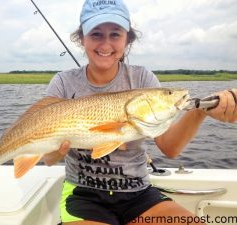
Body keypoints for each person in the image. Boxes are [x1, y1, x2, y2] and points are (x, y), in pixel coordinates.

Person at [37, 0, 237, 224]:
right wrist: (57, 151)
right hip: (83, 195)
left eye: (115, 34)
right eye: (95, 34)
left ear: (127, 39)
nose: (106, 44)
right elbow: (48, 158)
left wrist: (200, 110)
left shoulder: (143, 78)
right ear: (81, 38)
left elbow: (169, 149)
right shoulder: (63, 83)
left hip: (138, 193)